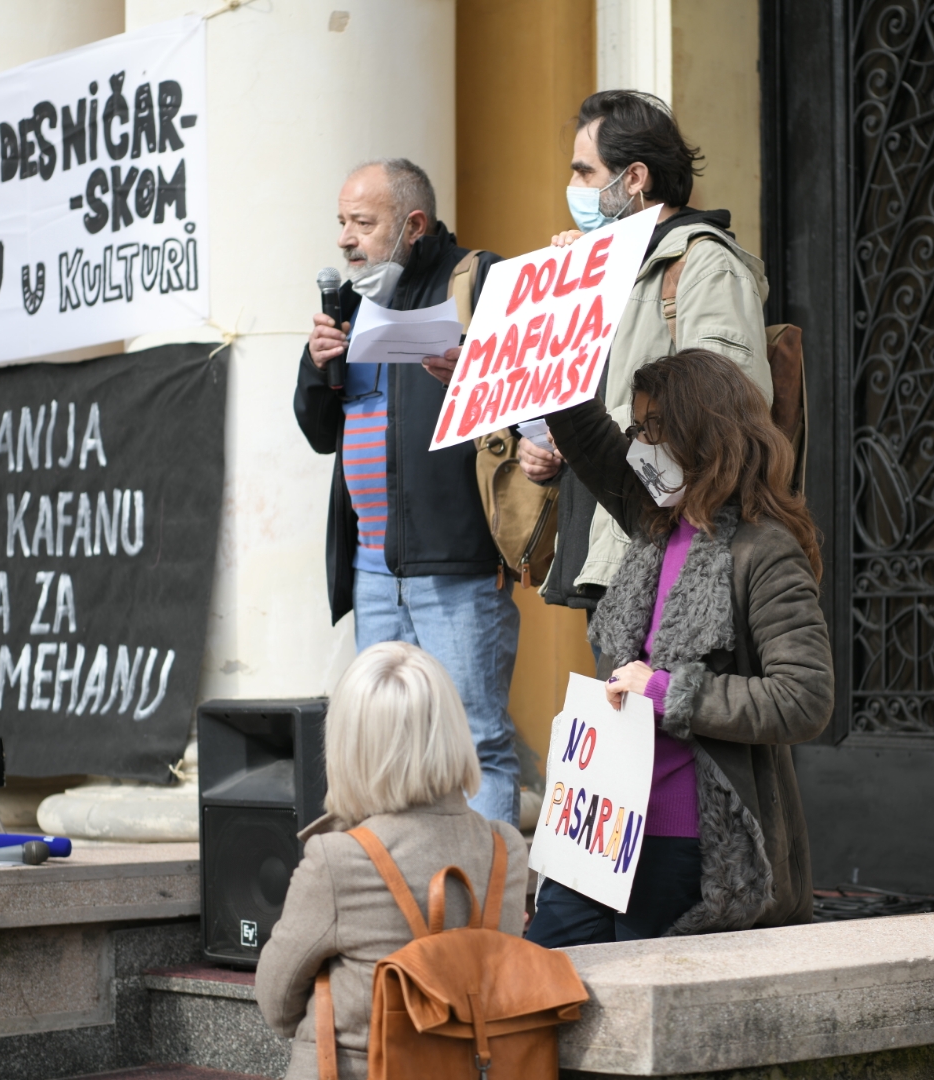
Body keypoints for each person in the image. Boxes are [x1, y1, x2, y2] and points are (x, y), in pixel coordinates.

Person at [524, 349, 833, 945]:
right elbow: (586, 433)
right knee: (540, 981)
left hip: (688, 840)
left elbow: (804, 697)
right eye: (636, 430)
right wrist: (543, 354)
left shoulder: (764, 551)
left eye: (651, 430)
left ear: (701, 436)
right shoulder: (652, 516)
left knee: (639, 1018)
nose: (639, 445)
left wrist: (667, 691)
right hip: (595, 820)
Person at [294, 159, 521, 826]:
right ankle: (407, 894)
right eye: (341, 222)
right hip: (373, 570)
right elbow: (317, 432)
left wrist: (471, 366)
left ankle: (489, 906)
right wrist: (316, 369)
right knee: (385, 748)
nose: (345, 238)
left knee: (476, 739)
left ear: (413, 226)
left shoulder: (478, 284)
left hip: (456, 567)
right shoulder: (351, 306)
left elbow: (532, 399)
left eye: (363, 223)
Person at [519, 90, 774, 639]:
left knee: (662, 714)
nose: (575, 189)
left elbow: (729, 414)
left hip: (669, 550)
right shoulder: (608, 268)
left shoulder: (705, 265)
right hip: (616, 546)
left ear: (634, 177)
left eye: (585, 173)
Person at [256, 641, 528, 1079]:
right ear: (452, 730)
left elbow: (276, 1002)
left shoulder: (337, 858)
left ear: (350, 743)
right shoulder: (506, 849)